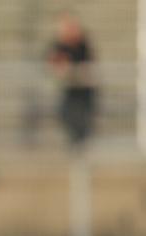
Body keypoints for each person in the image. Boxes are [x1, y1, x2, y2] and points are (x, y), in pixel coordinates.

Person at [47, 12, 97, 148]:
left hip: (84, 94)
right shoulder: (58, 45)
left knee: (82, 126)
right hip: (69, 94)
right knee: (69, 122)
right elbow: (55, 65)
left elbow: (89, 67)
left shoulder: (82, 44)